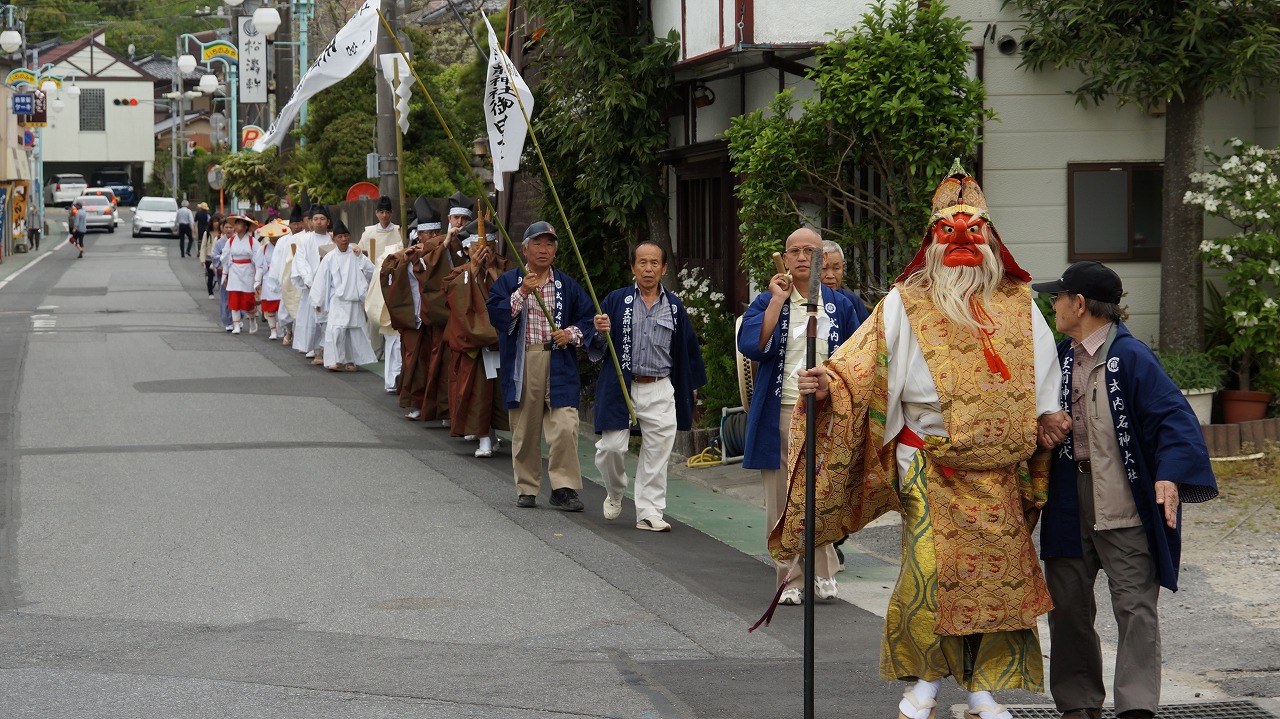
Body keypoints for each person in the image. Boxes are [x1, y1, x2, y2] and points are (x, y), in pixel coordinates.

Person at [784, 164, 1070, 719]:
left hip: (998, 469)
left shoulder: (1019, 301)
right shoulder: (905, 300)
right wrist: (828, 383)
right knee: (931, 570)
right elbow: (858, 365)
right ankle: (928, 684)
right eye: (949, 231)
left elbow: (1043, 370)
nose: (963, 241)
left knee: (994, 582)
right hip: (928, 459)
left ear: (990, 237)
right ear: (932, 241)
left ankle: (981, 690)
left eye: (974, 230)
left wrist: (1048, 414)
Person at [1031, 261, 1218, 719]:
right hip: (1067, 498)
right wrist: (1041, 426)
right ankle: (1078, 705)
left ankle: (1135, 709)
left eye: (1058, 297)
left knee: (1135, 607)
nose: (1051, 303)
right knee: (1068, 607)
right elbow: (1030, 412)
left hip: (1122, 499)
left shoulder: (1132, 358)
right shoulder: (1057, 356)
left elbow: (1174, 419)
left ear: (1079, 304)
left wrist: (1169, 474)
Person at [737, 227, 861, 605]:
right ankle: (788, 579)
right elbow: (752, 346)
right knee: (781, 498)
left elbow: (859, 358)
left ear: (823, 258)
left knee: (823, 493)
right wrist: (776, 301)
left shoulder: (841, 304)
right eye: (795, 251)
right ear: (786, 259)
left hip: (827, 411)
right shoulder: (767, 299)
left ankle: (822, 568)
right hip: (782, 409)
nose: (803, 257)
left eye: (811, 250)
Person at [589, 241, 707, 531]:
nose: (648, 268)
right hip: (622, 384)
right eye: (642, 262)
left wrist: (691, 388)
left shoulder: (675, 307)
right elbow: (595, 348)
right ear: (633, 267)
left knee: (657, 451)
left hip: (660, 385)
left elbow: (688, 350)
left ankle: (649, 511)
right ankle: (615, 491)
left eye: (654, 263)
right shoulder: (617, 301)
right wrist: (600, 332)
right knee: (611, 448)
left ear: (664, 268)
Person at [487, 221, 595, 511]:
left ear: (556, 252)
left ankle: (564, 488)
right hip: (525, 360)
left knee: (565, 426)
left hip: (559, 358)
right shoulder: (509, 281)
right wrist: (522, 291)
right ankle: (527, 486)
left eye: (549, 244)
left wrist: (570, 334)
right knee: (524, 429)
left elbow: (588, 319)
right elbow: (496, 316)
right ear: (524, 249)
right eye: (538, 243)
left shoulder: (566, 285)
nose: (544, 250)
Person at [442, 222, 511, 457]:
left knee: (499, 391)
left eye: (489, 245)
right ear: (467, 249)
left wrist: (491, 269)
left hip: (500, 341)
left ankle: (492, 434)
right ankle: (483, 438)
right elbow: (454, 297)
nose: (484, 251)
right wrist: (472, 269)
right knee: (479, 390)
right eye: (478, 247)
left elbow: (513, 294)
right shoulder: (459, 273)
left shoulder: (503, 269)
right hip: (473, 342)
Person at [390, 197, 441, 419]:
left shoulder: (443, 254)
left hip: (436, 315)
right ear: (419, 235)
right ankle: (416, 402)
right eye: (427, 234)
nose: (430, 237)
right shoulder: (407, 257)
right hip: (415, 316)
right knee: (414, 362)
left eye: (435, 233)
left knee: (436, 362)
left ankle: (438, 407)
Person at [312, 217, 377, 371]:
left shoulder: (355, 253)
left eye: (346, 236)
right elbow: (321, 280)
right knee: (336, 330)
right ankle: (337, 360)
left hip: (354, 300)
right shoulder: (329, 258)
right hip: (338, 300)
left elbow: (371, 271)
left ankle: (351, 361)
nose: (344, 239)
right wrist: (318, 301)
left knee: (354, 331)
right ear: (334, 239)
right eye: (340, 237)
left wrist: (361, 256)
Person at [361, 196, 405, 393]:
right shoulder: (369, 232)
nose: (384, 215)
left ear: (391, 213)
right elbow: (362, 253)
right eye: (381, 212)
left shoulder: (398, 231)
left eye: (387, 212)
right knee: (373, 316)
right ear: (376, 213)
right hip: (374, 277)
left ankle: (388, 360)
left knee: (390, 321)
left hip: (394, 279)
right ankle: (373, 351)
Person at [291, 206, 334, 362]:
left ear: (328, 221)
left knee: (328, 318)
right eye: (315, 219)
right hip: (311, 285)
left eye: (322, 219)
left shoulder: (333, 239)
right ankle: (316, 349)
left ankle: (324, 350)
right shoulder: (305, 240)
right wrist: (311, 282)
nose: (319, 222)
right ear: (310, 222)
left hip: (330, 287)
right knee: (312, 320)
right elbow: (301, 262)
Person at [219, 215, 263, 335]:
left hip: (248, 271)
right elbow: (226, 258)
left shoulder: (252, 241)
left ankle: (252, 319)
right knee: (234, 300)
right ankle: (236, 325)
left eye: (239, 224)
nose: (236, 226)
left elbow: (259, 262)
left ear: (245, 226)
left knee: (248, 301)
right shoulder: (231, 241)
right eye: (236, 224)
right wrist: (224, 275)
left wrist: (257, 280)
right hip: (234, 271)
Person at [820, 240, 871, 326]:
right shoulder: (803, 299)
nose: (830, 275)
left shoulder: (852, 300)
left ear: (843, 267)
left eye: (836, 268)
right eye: (824, 268)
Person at [256, 219, 289, 340]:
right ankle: (273, 330)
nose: (274, 239)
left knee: (282, 307)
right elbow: (259, 266)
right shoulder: (263, 248)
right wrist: (257, 282)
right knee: (270, 307)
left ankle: (283, 329)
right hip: (268, 278)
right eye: (272, 236)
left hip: (282, 277)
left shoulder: (285, 246)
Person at [210, 218, 234, 331]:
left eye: (231, 227)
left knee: (238, 296)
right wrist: (224, 259)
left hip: (237, 272)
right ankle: (227, 321)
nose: (228, 229)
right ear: (222, 229)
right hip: (223, 273)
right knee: (225, 297)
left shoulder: (238, 240)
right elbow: (214, 256)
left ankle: (237, 318)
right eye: (226, 227)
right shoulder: (220, 242)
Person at [198, 212, 223, 299]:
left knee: (221, 276)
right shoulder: (207, 233)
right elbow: (203, 246)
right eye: (214, 221)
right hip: (209, 258)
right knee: (210, 276)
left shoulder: (222, 234)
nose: (216, 223)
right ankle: (210, 292)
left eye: (218, 221)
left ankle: (221, 292)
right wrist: (202, 259)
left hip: (219, 257)